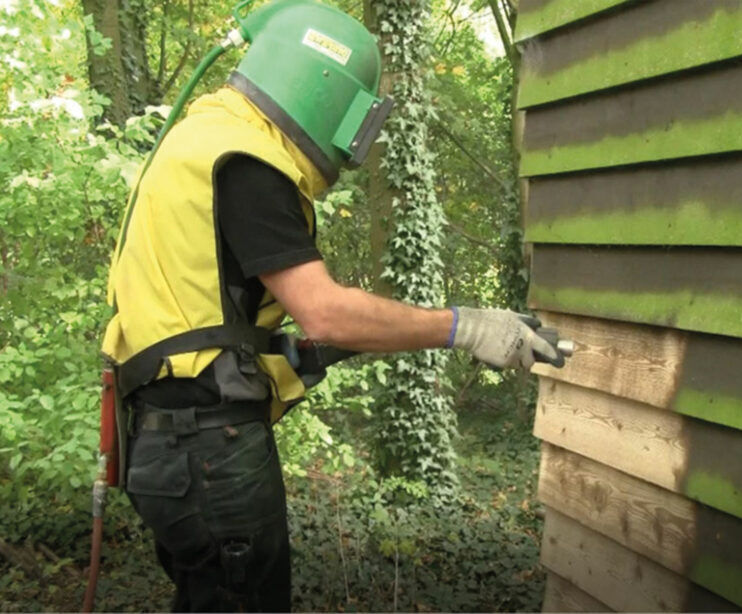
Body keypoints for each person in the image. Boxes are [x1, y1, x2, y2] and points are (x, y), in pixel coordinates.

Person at [100, 1, 563, 611]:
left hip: (166, 450)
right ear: (323, 90)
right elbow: (324, 311)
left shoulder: (198, 142)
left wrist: (320, 350)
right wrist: (465, 326)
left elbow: (207, 327)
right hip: (209, 455)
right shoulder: (246, 161)